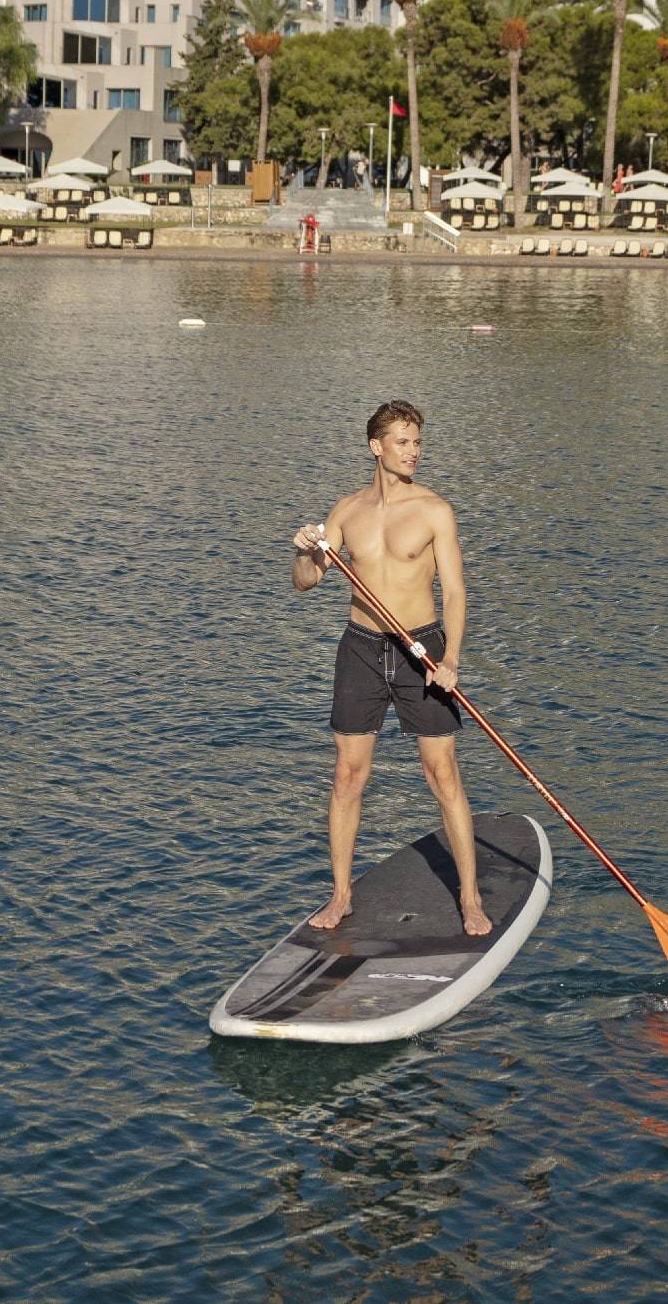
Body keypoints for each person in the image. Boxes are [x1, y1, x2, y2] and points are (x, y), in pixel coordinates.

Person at [289, 400, 490, 936]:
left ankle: (470, 897)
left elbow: (456, 590)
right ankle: (340, 895)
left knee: (441, 773)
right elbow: (306, 582)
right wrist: (307, 550)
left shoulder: (433, 510)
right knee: (348, 776)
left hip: (421, 650)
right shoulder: (347, 511)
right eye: (403, 442)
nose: (414, 452)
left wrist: (451, 659)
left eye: (418, 442)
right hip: (360, 648)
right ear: (377, 446)